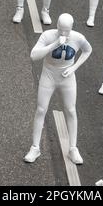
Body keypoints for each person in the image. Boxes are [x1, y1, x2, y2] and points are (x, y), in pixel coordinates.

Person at [24, 13, 92, 164]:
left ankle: (73, 148)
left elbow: (88, 50)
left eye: (66, 30)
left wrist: (74, 67)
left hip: (67, 77)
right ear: (57, 26)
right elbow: (34, 55)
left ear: (71, 28)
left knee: (71, 110)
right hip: (48, 74)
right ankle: (35, 147)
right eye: (61, 29)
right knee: (41, 109)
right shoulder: (48, 36)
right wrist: (54, 44)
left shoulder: (78, 38)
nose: (63, 33)